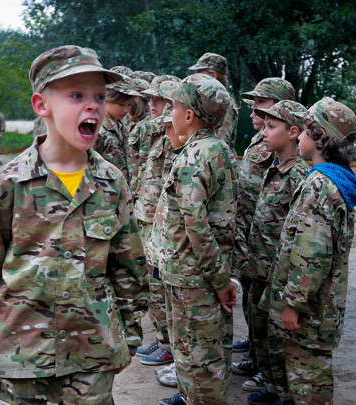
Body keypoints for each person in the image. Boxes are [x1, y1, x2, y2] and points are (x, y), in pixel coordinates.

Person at [0, 45, 149, 404]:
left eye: (99, 96)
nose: (93, 105)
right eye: (76, 95)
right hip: (16, 359)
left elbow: (129, 268)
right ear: (42, 105)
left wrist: (127, 338)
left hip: (92, 356)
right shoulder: (6, 186)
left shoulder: (112, 184)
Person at [266, 97, 356, 405]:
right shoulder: (330, 181)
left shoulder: (320, 186)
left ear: (320, 138)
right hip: (319, 306)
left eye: (306, 130)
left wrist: (293, 303)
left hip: (309, 312)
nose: (299, 136)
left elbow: (312, 252)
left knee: (309, 382)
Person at [154, 73, 238, 405]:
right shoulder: (211, 148)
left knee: (200, 362)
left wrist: (219, 281)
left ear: (188, 115)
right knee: (189, 354)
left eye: (173, 106)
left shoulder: (198, 154)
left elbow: (196, 225)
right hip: (190, 275)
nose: (169, 114)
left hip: (194, 277)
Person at [232, 100, 310, 405]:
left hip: (278, 273)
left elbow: (299, 235)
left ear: (293, 132)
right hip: (258, 266)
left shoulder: (298, 176)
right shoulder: (276, 168)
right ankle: (273, 385)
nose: (263, 133)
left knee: (278, 337)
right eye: (262, 126)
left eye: (271, 126)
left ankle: (285, 391)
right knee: (260, 329)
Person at [132, 77, 182, 369]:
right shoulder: (158, 132)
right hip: (147, 216)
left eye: (158, 100)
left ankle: (169, 345)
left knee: (161, 285)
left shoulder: (171, 136)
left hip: (161, 222)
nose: (151, 105)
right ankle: (164, 339)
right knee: (153, 284)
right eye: (149, 99)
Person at [94, 75, 142, 182]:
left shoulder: (121, 126)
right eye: (121, 105)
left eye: (129, 105)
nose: (126, 110)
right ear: (107, 99)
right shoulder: (98, 129)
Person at [188, 52, 238, 148]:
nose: (196, 77)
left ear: (213, 76)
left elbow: (219, 144)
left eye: (200, 73)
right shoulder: (207, 101)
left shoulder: (225, 106)